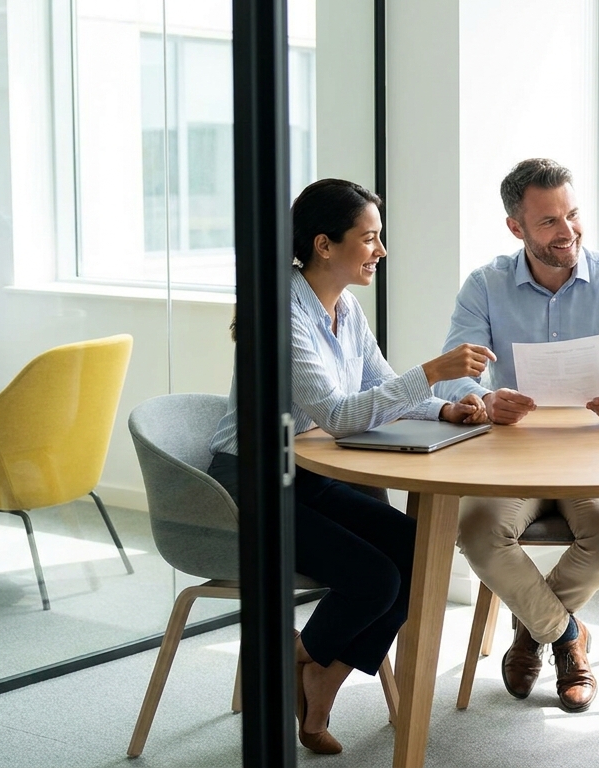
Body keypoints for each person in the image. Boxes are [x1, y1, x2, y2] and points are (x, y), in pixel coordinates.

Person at [206, 179, 494, 754]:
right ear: (324, 245)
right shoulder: (285, 314)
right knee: (377, 577)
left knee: (420, 552)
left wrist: (443, 407)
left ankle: (317, 672)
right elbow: (339, 415)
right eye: (369, 238)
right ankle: (298, 662)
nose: (380, 251)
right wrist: (433, 372)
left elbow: (379, 388)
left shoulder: (345, 307)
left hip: (310, 471)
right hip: (254, 483)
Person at [433, 158, 599, 712]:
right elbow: (456, 379)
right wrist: (483, 399)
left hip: (597, 455)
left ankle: (531, 631)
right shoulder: (485, 285)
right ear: (516, 227)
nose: (567, 232)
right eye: (548, 222)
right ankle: (567, 638)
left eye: (573, 215)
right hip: (511, 456)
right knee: (477, 532)